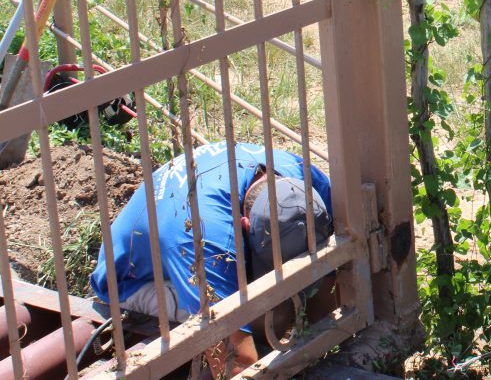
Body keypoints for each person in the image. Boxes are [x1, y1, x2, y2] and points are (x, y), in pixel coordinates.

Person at [90, 141, 333, 376]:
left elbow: (335, 280)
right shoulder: (204, 240)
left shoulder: (308, 181)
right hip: (136, 279)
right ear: (244, 225)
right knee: (271, 314)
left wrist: (325, 342)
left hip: (190, 223)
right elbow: (234, 363)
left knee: (290, 301)